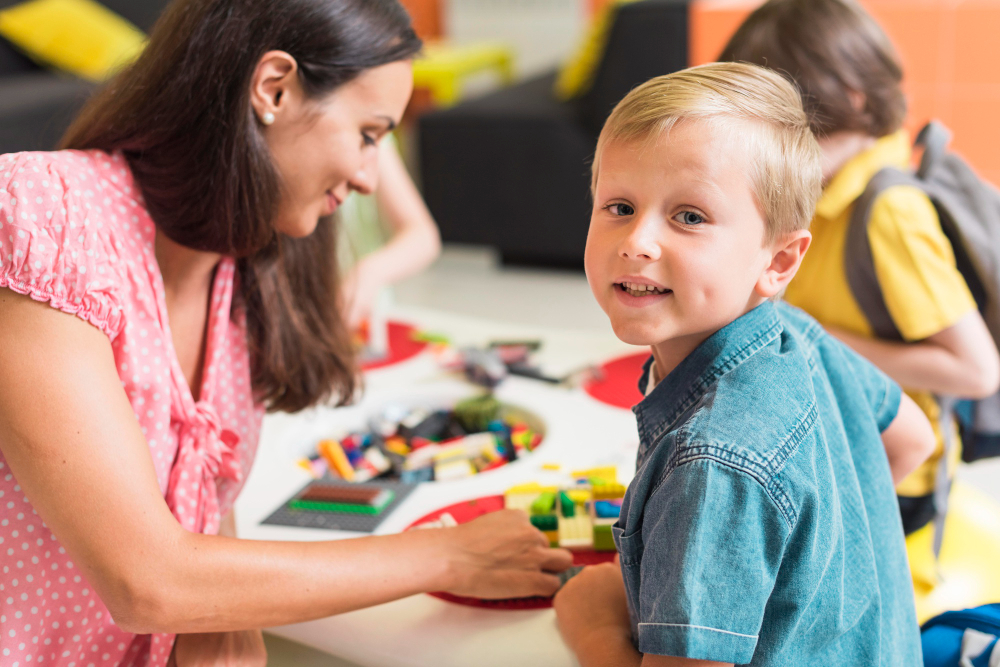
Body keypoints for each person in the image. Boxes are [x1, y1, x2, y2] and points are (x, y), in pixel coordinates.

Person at [0, 1, 571, 665]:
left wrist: (218, 614)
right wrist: (446, 554)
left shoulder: (246, 273)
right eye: (367, 133)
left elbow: (201, 498)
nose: (366, 177)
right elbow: (146, 579)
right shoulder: (48, 214)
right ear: (273, 89)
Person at [552, 62, 934, 666]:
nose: (637, 241)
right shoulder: (797, 331)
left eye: (689, 216)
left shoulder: (711, 462)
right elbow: (913, 437)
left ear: (779, 261)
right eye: (619, 206)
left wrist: (591, 625)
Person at [719, 0, 1000, 556]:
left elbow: (976, 370)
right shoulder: (822, 190)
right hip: (829, 441)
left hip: (892, 470)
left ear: (850, 100)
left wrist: (821, 340)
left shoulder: (888, 212)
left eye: (784, 133)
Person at [338, 136, 441, 330]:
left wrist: (367, 273)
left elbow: (424, 235)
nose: (365, 181)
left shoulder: (376, 138)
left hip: (366, 322)